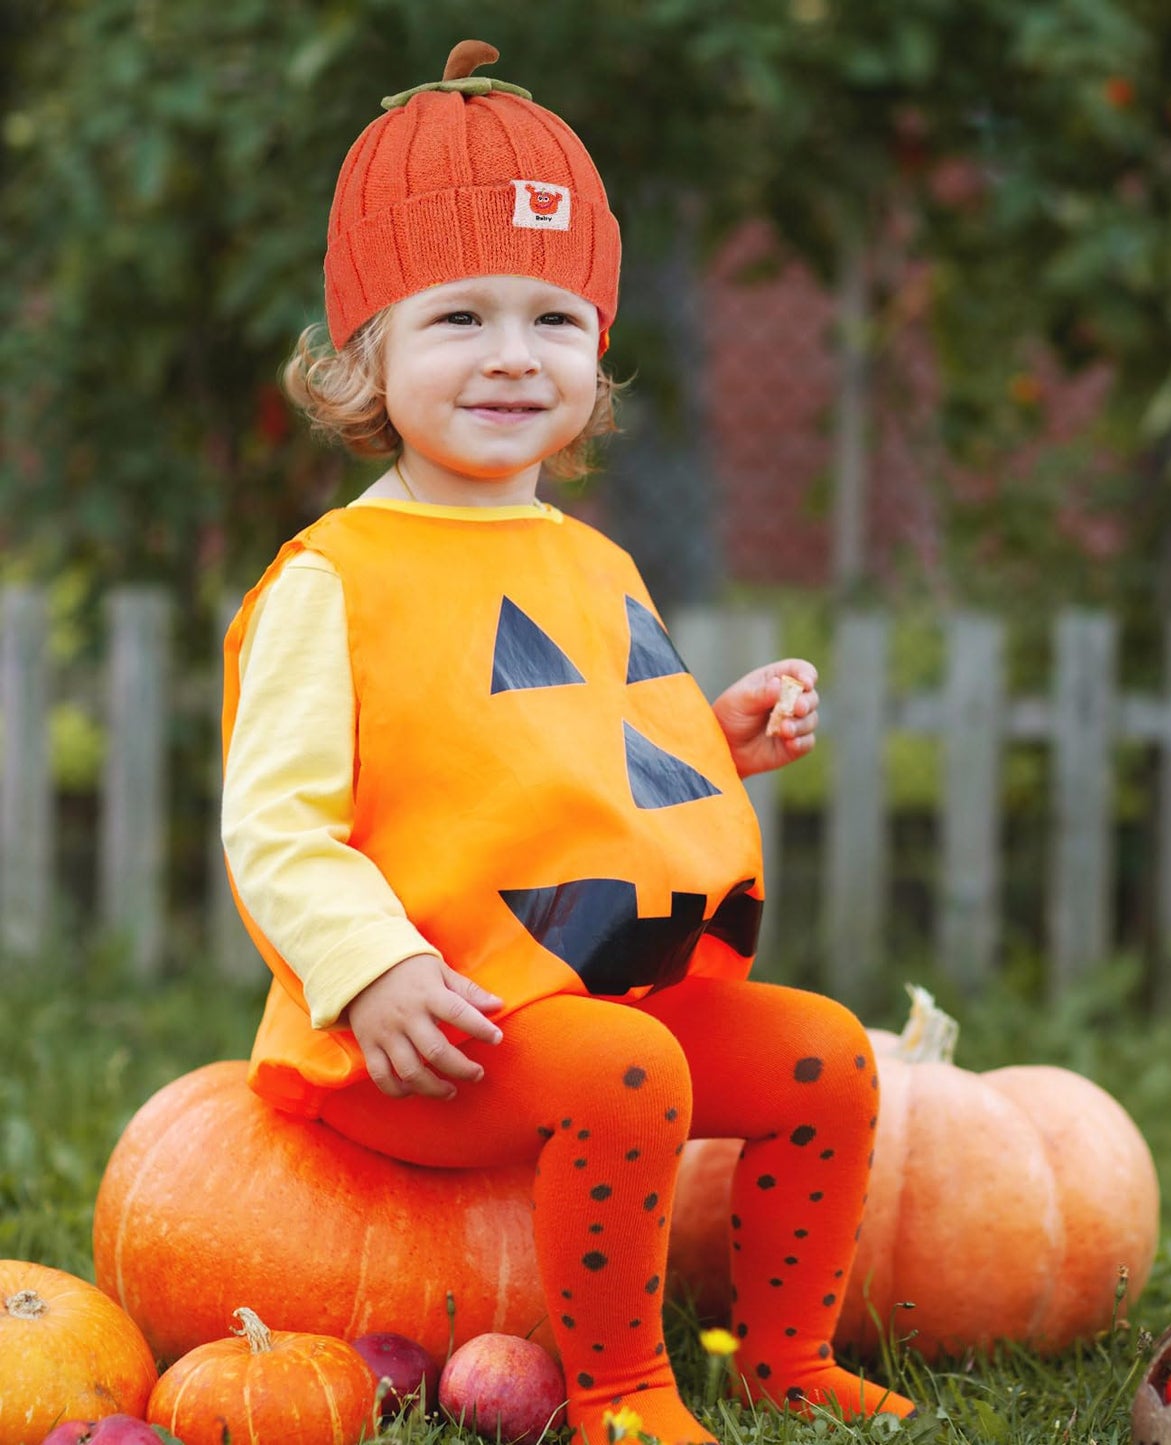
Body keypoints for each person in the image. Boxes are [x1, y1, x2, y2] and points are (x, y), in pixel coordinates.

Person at [219, 39, 915, 1445]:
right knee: (627, 1074)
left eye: (552, 320)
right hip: (435, 1028)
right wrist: (375, 971)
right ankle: (619, 1391)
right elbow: (277, 823)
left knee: (828, 1058)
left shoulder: (590, 562)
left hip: (599, 985)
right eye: (458, 318)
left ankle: (785, 1357)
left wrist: (713, 738)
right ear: (366, 352)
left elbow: (574, 752)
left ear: (595, 355)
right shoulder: (335, 577)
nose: (510, 357)